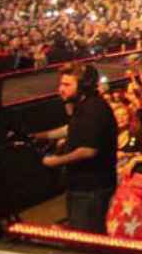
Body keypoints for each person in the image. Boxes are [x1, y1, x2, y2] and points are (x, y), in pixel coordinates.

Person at [34, 64, 117, 233]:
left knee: (86, 238)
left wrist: (55, 161)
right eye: (61, 84)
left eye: (67, 85)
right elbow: (72, 128)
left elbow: (88, 150)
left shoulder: (94, 110)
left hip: (92, 189)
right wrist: (40, 136)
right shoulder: (84, 106)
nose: (61, 89)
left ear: (84, 86)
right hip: (81, 186)